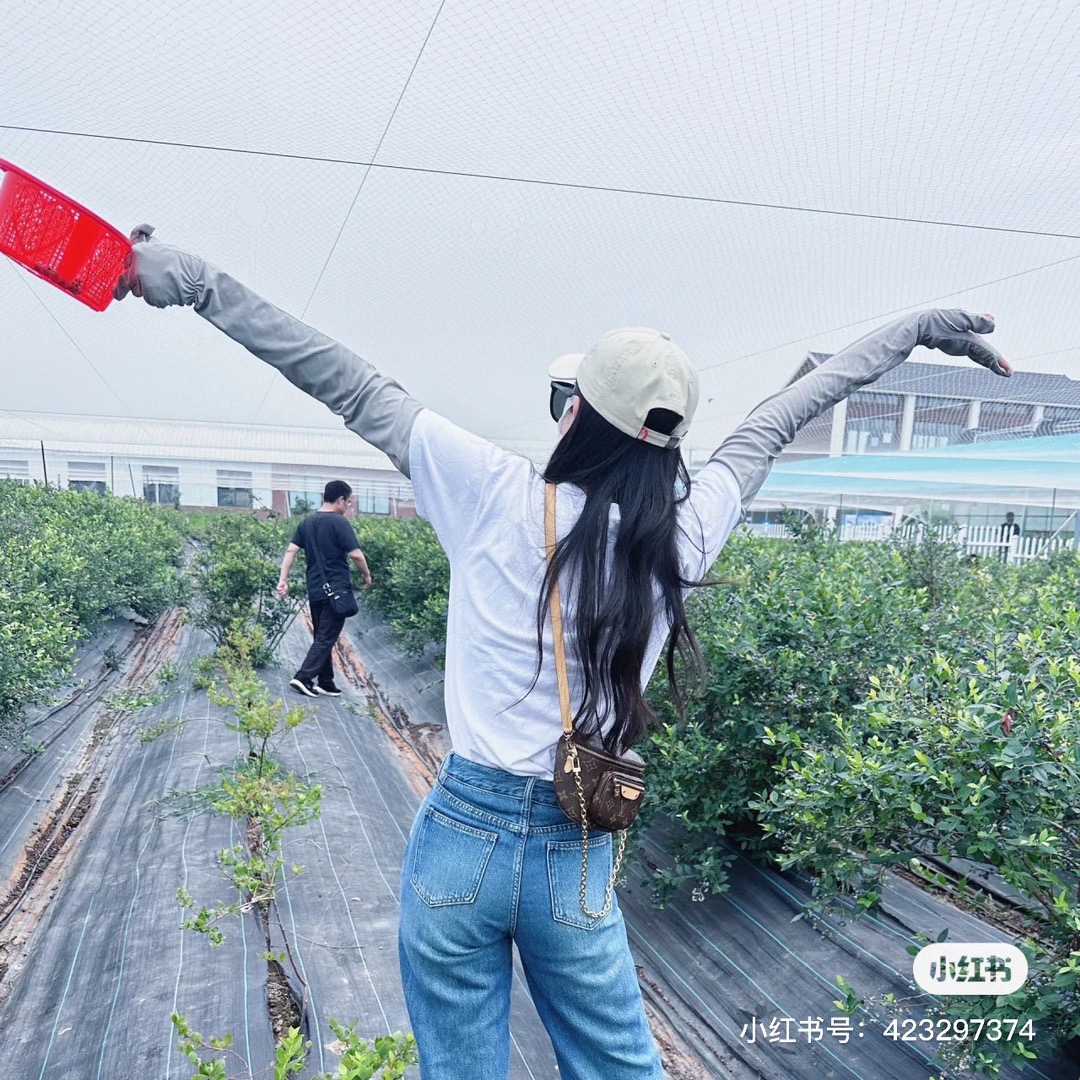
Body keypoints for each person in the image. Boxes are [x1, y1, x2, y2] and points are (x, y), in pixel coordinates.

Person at [116, 228, 1011, 1079]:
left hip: (462, 835)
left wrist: (194, 282)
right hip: (576, 843)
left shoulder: (492, 492)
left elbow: (343, 380)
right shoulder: (683, 536)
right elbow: (775, 423)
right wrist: (909, 332)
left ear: (575, 414)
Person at [277, 479, 372, 697]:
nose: (348, 507)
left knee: (322, 634)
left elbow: (291, 551)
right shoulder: (339, 523)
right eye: (348, 502)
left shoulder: (307, 522)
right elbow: (356, 555)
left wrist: (283, 579)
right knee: (326, 636)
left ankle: (326, 681)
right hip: (336, 588)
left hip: (315, 588)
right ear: (340, 500)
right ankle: (303, 677)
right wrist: (367, 575)